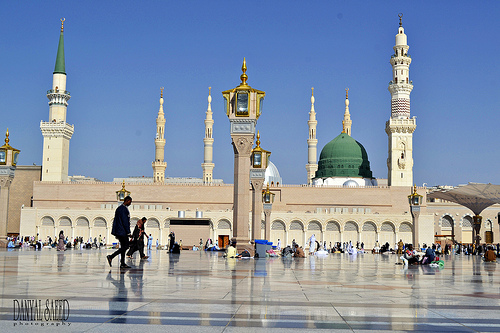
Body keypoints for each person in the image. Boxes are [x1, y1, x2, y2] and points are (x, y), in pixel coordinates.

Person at [107, 196, 133, 269]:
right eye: (130, 202)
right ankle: (111, 256)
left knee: (123, 247)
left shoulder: (119, 208)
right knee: (126, 246)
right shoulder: (123, 209)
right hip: (122, 231)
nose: (130, 203)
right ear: (127, 201)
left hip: (120, 231)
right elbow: (125, 221)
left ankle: (122, 263)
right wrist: (128, 232)